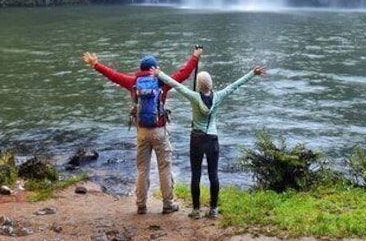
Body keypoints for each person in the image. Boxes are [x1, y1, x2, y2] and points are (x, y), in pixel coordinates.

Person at [83, 46, 202, 215]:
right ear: (154, 68)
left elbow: (113, 75)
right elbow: (184, 74)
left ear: (141, 69)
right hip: (159, 130)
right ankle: (167, 204)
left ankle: (141, 205)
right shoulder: (162, 81)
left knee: (142, 168)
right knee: (165, 167)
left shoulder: (133, 82)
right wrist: (195, 57)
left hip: (142, 132)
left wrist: (96, 64)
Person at [152, 63, 266, 219]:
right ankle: (213, 210)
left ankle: (196, 210)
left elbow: (176, 85)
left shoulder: (193, 96)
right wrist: (252, 73)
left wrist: (160, 74)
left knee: (196, 175)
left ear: (198, 85)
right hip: (212, 139)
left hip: (196, 139)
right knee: (213, 175)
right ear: (211, 83)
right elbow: (235, 86)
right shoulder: (219, 96)